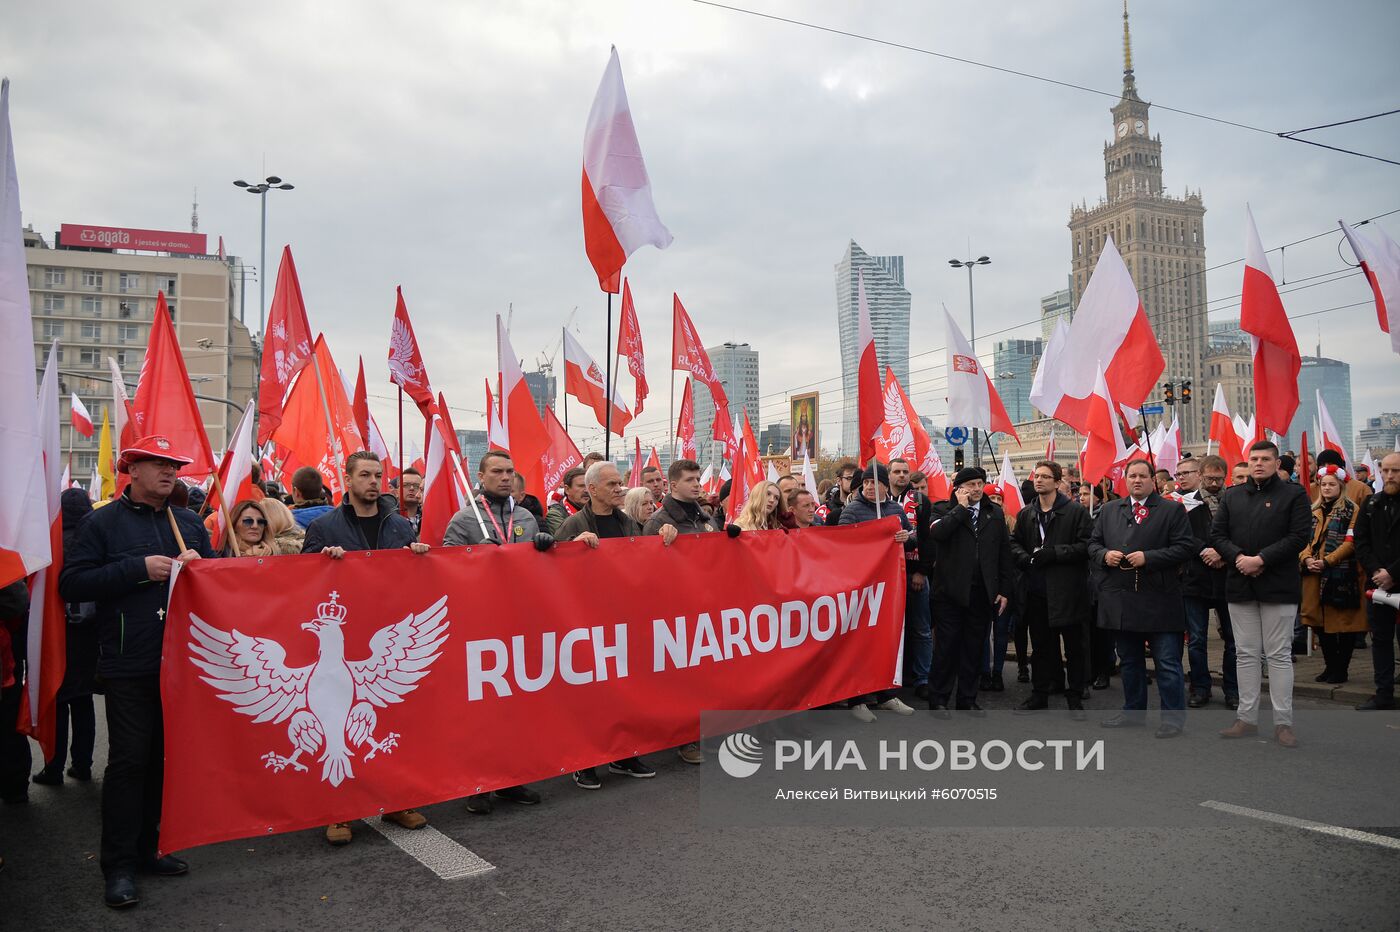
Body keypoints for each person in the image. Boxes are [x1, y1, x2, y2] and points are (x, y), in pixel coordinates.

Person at [58, 436, 214, 909]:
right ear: (132, 469)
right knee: (129, 762)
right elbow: (73, 582)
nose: (170, 473)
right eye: (159, 465)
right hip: (129, 662)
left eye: (174, 466)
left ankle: (150, 849)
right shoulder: (100, 522)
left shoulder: (188, 522)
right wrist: (137, 569)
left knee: (164, 760)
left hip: (183, 661)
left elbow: (222, 580)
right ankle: (119, 866)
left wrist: (203, 566)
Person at [301, 451, 433, 842]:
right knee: (335, 726)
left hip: (382, 634)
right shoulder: (325, 527)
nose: (374, 482)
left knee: (389, 723)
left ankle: (396, 801)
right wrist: (322, 561)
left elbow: (413, 583)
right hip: (342, 645)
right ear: (348, 479)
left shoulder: (399, 526)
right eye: (365, 475)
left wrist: (418, 556)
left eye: (378, 475)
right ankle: (339, 812)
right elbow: (300, 582)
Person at [442, 451, 551, 811]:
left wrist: (545, 546)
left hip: (519, 623)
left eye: (509, 472)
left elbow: (540, 569)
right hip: (480, 626)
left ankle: (512, 779)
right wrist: (473, 553)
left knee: (518, 706)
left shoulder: (525, 517)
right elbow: (444, 567)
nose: (505, 478)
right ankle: (478, 784)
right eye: (497, 472)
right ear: (481, 475)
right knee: (483, 710)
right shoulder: (464, 519)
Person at [556, 462, 662, 787]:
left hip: (622, 622)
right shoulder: (574, 523)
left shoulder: (628, 523)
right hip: (585, 623)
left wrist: (664, 537)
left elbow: (645, 563)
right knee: (590, 697)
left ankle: (623, 754)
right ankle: (585, 761)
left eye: (620, 483)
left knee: (623, 692)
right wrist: (573, 544)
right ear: (592, 490)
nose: (620, 488)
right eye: (613, 484)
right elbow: (548, 566)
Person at [1211, 441, 1313, 748]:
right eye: (1253, 458)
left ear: (1276, 463)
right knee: (1246, 653)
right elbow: (1217, 534)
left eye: (1265, 459)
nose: (1258, 463)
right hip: (1240, 583)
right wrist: (1240, 558)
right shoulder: (1232, 495)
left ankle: (1283, 723)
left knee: (1279, 654)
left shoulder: (1293, 495)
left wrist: (1262, 559)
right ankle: (1247, 718)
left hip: (1278, 585)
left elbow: (1298, 537)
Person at [1088, 458, 1195, 738]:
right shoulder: (1110, 509)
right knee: (1131, 662)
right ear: (1125, 479)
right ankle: (1133, 712)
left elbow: (1186, 547)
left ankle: (1172, 719)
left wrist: (1149, 558)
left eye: (1142, 476)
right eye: (1132, 476)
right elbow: (1092, 543)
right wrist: (1103, 555)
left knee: (1167, 663)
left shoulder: (1171, 510)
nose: (1137, 480)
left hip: (1160, 598)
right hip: (1122, 600)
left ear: (1152, 480)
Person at [927, 466, 1015, 717]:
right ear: (959, 488)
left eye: (980, 484)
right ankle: (939, 699)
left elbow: (1003, 556)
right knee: (947, 648)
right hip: (950, 593)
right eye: (971, 485)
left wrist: (1004, 590)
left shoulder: (994, 513)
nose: (977, 489)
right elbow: (938, 534)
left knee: (973, 649)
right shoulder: (943, 509)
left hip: (982, 593)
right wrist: (961, 508)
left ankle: (967, 699)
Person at [1010, 461, 1092, 718]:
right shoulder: (1027, 513)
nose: (1039, 481)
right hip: (1036, 590)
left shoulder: (1076, 512)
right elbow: (1014, 543)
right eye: (1037, 476)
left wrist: (1054, 553)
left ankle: (1075, 695)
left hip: (1068, 590)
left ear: (1058, 483)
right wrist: (1024, 558)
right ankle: (1039, 694)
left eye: (1046, 477)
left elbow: (1087, 546)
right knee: (1042, 647)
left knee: (1074, 647)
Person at [838, 463, 917, 719]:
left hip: (889, 587)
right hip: (860, 588)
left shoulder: (894, 509)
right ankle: (856, 700)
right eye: (867, 483)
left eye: (876, 482)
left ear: (885, 485)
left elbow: (913, 538)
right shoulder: (852, 511)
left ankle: (886, 694)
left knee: (887, 641)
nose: (871, 487)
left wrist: (907, 537)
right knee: (859, 643)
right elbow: (840, 546)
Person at [32, 490, 99, 787]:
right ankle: (82, 763)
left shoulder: (50, 542)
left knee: (57, 699)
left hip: (56, 631)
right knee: (83, 700)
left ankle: (53, 767)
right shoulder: (95, 540)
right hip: (88, 633)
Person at [1176, 455, 1238, 710]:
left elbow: (1243, 532)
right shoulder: (1186, 503)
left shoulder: (1234, 501)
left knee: (1233, 641)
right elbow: (1183, 535)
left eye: (1219, 478)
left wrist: (1223, 553)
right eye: (1209, 478)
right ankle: (1200, 687)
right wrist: (1205, 552)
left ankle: (1233, 690)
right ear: (1200, 475)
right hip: (1195, 579)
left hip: (1229, 579)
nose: (1214, 483)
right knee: (1198, 639)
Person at [1300, 466, 1368, 685]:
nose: (1327, 488)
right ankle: (1330, 666)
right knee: (1319, 623)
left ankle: (1341, 669)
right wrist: (1306, 558)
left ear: (1341, 486)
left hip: (1341, 574)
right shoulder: (1313, 510)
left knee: (1344, 624)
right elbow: (1303, 540)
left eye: (1332, 484)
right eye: (1324, 484)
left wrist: (1328, 561)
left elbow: (1351, 542)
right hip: (1314, 575)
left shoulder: (1352, 510)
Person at [1353, 451, 1400, 710]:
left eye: (1396, 471)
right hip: (1377, 585)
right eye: (1386, 470)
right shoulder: (1372, 505)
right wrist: (1377, 572)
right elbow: (1361, 542)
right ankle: (1383, 694)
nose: (1390, 475)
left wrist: (1393, 573)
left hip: (1394, 579)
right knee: (1380, 640)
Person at [889, 457, 935, 699]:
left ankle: (922, 678)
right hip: (886, 576)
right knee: (890, 628)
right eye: (897, 471)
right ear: (888, 475)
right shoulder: (880, 502)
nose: (902, 476)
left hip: (914, 572)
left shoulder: (919, 502)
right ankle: (894, 676)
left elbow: (927, 539)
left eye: (905, 471)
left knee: (921, 628)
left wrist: (922, 571)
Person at [644, 459, 720, 539]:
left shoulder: (707, 519)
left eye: (698, 479)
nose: (697, 484)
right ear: (674, 486)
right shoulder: (656, 522)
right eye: (689, 480)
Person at [545, 466, 588, 535]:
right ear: (567, 489)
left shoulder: (599, 509)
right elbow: (564, 539)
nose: (586, 490)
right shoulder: (555, 514)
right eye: (581, 486)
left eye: (588, 485)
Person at [822, 460, 858, 526]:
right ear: (839, 481)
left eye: (856, 478)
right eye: (849, 478)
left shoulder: (864, 507)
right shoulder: (824, 510)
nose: (854, 482)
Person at [398, 467, 424, 532]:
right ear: (396, 491)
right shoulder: (388, 518)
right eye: (406, 485)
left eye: (416, 486)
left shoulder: (429, 517)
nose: (411, 488)